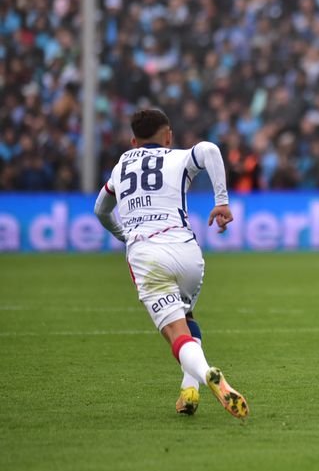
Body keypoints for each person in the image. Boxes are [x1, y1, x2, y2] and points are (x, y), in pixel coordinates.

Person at [93, 109, 249, 419]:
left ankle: (207, 373)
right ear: (168, 136)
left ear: (134, 141)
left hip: (147, 256)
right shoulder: (179, 157)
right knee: (187, 317)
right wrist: (221, 201)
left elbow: (101, 210)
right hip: (187, 252)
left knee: (177, 333)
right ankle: (188, 390)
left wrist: (125, 236)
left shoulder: (121, 166)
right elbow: (210, 150)